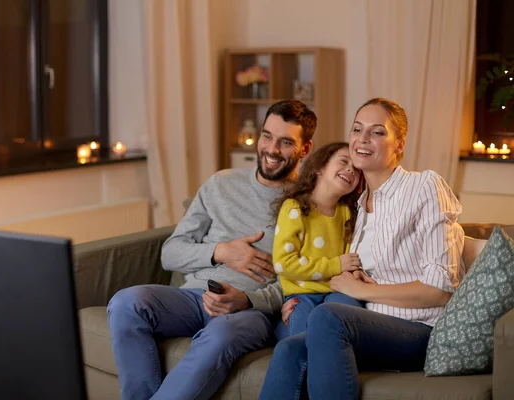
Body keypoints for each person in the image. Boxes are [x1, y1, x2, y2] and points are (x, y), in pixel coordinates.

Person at [107, 100, 316, 400]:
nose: (271, 149)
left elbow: (300, 281)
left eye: (285, 142)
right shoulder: (221, 183)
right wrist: (221, 251)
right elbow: (171, 252)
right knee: (126, 303)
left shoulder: (307, 205)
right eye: (267, 136)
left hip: (248, 313)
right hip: (193, 297)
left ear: (305, 149)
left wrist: (246, 299)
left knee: (222, 334)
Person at [258, 98, 466, 400]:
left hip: (419, 330)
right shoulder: (355, 208)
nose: (363, 139)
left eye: (378, 132)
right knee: (291, 347)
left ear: (399, 144)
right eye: (357, 129)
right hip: (364, 327)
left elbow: (440, 288)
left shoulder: (424, 187)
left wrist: (361, 291)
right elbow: (312, 265)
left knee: (328, 318)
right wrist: (291, 299)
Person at [270, 142, 364, 343]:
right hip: (302, 295)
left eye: (357, 169)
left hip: (337, 292)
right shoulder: (294, 208)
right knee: (301, 339)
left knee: (351, 322)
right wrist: (336, 265)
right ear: (319, 168)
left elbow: (352, 260)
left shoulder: (348, 213)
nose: (351, 169)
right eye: (344, 161)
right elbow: (283, 263)